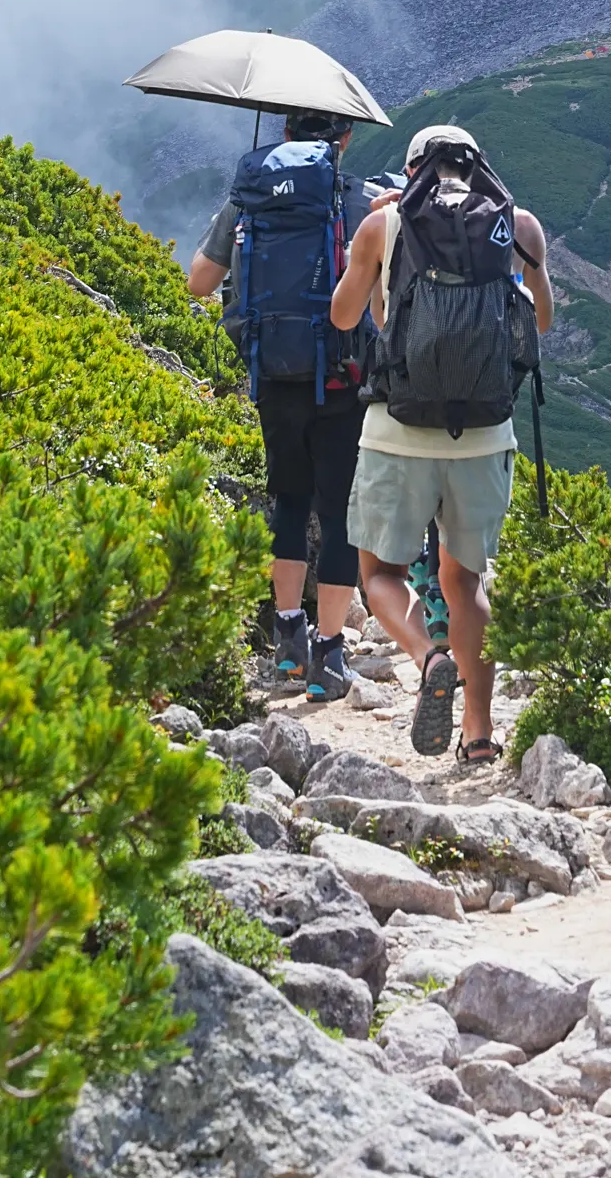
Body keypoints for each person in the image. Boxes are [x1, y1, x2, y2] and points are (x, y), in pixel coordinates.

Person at [330, 122, 552, 765]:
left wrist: (367, 258)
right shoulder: (520, 225)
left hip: (398, 428)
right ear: (477, 169)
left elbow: (347, 318)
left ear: (413, 171)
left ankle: (430, 658)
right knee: (466, 583)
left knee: (380, 572)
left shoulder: (386, 224)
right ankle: (479, 734)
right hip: (484, 433)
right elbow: (541, 322)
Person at [188, 109, 386, 702]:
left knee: (290, 501)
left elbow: (199, 281)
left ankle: (288, 642)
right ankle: (329, 656)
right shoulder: (363, 200)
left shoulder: (249, 198)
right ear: (345, 138)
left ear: (285, 135)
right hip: (343, 376)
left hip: (273, 372)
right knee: (339, 509)